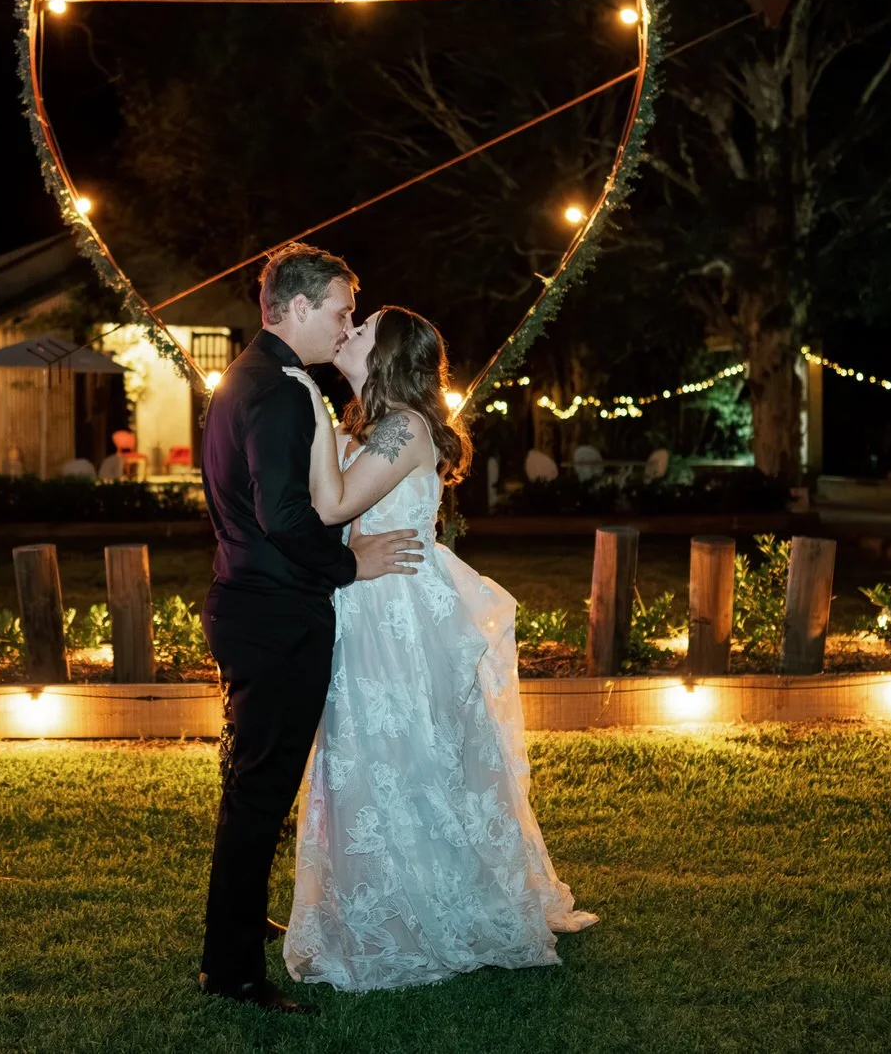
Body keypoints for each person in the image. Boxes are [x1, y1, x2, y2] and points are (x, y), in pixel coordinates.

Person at [279, 306, 597, 992]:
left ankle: (438, 907)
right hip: (365, 603)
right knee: (371, 755)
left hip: (399, 614)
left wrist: (307, 400)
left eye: (361, 329)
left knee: (410, 755)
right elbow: (319, 500)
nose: (349, 331)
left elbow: (332, 507)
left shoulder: (405, 428)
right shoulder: (367, 425)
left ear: (388, 353)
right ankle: (378, 902)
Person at [195, 243, 424, 1014]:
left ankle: (236, 919)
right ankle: (230, 968)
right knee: (261, 793)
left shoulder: (245, 379)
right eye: (338, 310)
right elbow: (286, 515)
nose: (345, 323)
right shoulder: (287, 390)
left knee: (250, 786)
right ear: (295, 308)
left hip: (245, 604)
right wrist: (350, 566)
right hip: (276, 617)